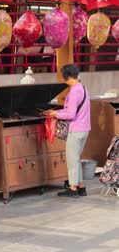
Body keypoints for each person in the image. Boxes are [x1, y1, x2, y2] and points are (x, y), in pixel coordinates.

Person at [44, 64, 91, 198]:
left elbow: (70, 114)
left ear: (69, 76)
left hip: (75, 130)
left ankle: (73, 188)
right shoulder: (83, 88)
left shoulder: (74, 91)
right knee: (76, 159)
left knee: (72, 159)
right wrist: (57, 111)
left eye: (64, 77)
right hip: (85, 128)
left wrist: (55, 114)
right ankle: (81, 187)